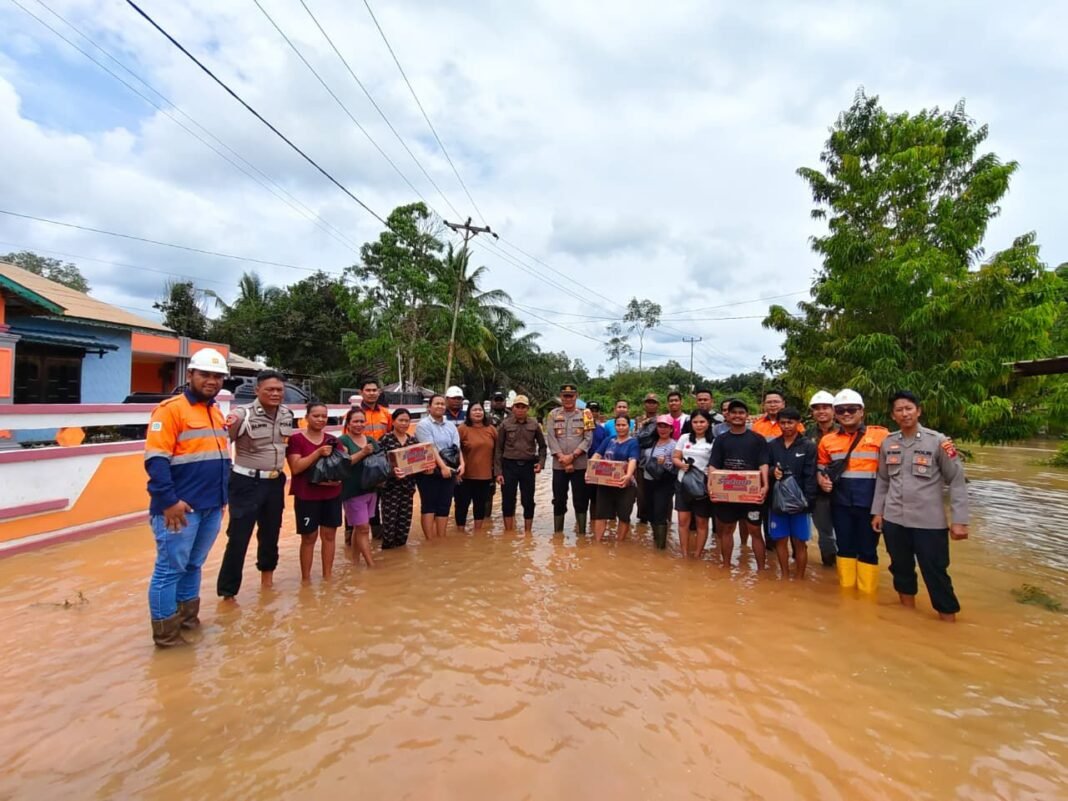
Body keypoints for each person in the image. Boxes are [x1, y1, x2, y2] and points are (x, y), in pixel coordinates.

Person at [144, 347, 231, 647]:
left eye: (218, 376)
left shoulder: (215, 411)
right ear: (190, 374)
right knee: (169, 569)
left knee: (194, 565)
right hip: (180, 508)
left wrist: (222, 501)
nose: (212, 381)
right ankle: (167, 636)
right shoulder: (170, 410)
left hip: (211, 506)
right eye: (205, 374)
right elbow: (156, 461)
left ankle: (188, 621)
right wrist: (168, 501)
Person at [872, 391, 969, 621]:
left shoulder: (938, 442)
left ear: (918, 411)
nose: (905, 413)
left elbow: (956, 480)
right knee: (900, 568)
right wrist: (878, 511)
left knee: (935, 571)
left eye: (909, 408)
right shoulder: (888, 443)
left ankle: (948, 621)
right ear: (893, 415)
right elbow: (883, 479)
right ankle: (908, 617)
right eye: (899, 410)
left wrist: (960, 521)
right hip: (895, 520)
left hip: (929, 522)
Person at [216, 369, 295, 602]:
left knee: (271, 534)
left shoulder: (286, 415)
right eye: (270, 389)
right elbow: (220, 446)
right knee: (239, 537)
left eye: (279, 390)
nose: (275, 393)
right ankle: (228, 594)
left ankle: (267, 583)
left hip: (274, 483)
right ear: (257, 390)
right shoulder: (241, 415)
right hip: (245, 483)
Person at [816, 389, 889, 593]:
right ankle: (846, 595)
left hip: (870, 505)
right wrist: (822, 481)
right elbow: (821, 468)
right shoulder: (827, 441)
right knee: (845, 548)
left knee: (867, 550)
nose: (846, 414)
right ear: (835, 414)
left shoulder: (881, 435)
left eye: (851, 409)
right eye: (840, 410)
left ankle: (867, 597)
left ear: (862, 412)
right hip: (840, 504)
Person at [709, 400, 770, 569]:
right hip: (727, 493)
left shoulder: (758, 439)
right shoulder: (721, 440)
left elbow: (763, 463)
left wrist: (765, 485)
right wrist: (711, 485)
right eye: (733, 412)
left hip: (751, 494)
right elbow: (714, 464)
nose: (737, 416)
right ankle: (726, 567)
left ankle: (761, 571)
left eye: (741, 412)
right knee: (727, 530)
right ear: (727, 415)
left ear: (747, 416)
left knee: (755, 532)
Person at [286, 402, 343, 584]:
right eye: (316, 416)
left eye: (324, 416)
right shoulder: (297, 440)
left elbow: (343, 467)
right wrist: (318, 453)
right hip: (307, 496)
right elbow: (295, 468)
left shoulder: (333, 441)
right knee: (309, 537)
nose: (320, 419)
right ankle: (306, 579)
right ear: (306, 418)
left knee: (329, 536)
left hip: (331, 495)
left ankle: (328, 576)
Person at [767, 407, 817, 579]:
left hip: (800, 502)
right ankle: (785, 576)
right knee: (780, 540)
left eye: (790, 422)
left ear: (798, 423)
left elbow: (810, 475)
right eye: (783, 422)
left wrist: (809, 502)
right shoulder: (772, 445)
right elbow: (765, 468)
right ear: (778, 424)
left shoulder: (809, 446)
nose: (786, 426)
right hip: (777, 501)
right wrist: (773, 471)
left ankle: (800, 579)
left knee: (799, 542)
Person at [545, 383, 594, 534]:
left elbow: (588, 439)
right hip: (559, 465)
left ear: (576, 396)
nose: (568, 399)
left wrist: (572, 457)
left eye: (571, 396)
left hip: (579, 465)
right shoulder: (552, 414)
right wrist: (562, 458)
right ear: (560, 397)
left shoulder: (586, 414)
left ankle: (582, 534)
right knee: (559, 499)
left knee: (581, 500)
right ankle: (558, 534)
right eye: (565, 396)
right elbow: (551, 439)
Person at [494, 395, 546, 534]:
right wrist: (498, 472)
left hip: (528, 467)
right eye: (518, 406)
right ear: (513, 408)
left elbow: (542, 447)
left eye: (523, 407)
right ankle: (509, 532)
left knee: (528, 500)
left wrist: (541, 463)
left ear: (528, 409)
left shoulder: (534, 424)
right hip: (509, 466)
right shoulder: (505, 425)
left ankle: (528, 532)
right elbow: (498, 449)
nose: (520, 410)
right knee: (508, 500)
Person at [415, 394, 464, 539]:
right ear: (429, 407)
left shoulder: (450, 426)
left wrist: (462, 464)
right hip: (429, 470)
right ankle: (430, 540)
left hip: (450, 470)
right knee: (429, 506)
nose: (440, 406)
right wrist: (442, 467)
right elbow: (431, 448)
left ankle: (441, 539)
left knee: (444, 505)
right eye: (436, 404)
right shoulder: (423, 425)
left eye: (442, 404)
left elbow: (457, 447)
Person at [337, 407, 381, 567]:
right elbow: (344, 465)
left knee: (359, 527)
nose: (359, 424)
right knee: (363, 527)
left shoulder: (371, 440)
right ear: (348, 424)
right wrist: (362, 453)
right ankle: (371, 564)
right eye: (355, 421)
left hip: (370, 489)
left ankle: (355, 562)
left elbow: (380, 462)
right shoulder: (342, 441)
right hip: (352, 490)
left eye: (362, 421)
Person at [588, 413, 640, 542]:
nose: (620, 428)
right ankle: (598, 543)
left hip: (625, 484)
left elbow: (633, 460)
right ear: (614, 426)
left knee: (623, 515)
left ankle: (620, 544)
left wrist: (628, 475)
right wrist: (589, 470)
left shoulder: (633, 443)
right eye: (618, 425)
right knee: (601, 514)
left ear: (629, 426)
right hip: (605, 483)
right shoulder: (609, 440)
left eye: (623, 425)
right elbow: (597, 455)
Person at [672, 410, 715, 559]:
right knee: (683, 521)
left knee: (702, 522)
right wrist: (680, 465)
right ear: (691, 423)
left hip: (703, 486)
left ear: (708, 423)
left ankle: (698, 554)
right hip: (682, 483)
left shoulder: (714, 441)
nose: (698, 425)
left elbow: (715, 464)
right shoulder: (684, 438)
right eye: (695, 422)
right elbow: (676, 457)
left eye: (702, 422)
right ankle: (684, 553)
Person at [377, 408, 418, 549]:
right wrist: (391, 471)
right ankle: (387, 553)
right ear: (393, 422)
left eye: (407, 421)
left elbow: (418, 463)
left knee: (404, 525)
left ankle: (400, 555)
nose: (404, 423)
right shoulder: (385, 440)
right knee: (389, 524)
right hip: (390, 489)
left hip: (408, 488)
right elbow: (378, 463)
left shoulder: (413, 441)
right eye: (401, 420)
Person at [455, 404, 498, 531]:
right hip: (464, 475)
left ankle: (478, 534)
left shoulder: (491, 429)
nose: (478, 412)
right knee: (462, 506)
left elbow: (498, 451)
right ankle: (460, 533)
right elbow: (455, 450)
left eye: (480, 410)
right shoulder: (462, 429)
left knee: (480, 506)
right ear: (468, 413)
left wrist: (497, 472)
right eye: (474, 410)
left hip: (485, 475)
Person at [808, 390, 839, 566]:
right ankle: (828, 567)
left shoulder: (846, 431)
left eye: (826, 407)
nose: (821, 411)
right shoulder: (807, 434)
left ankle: (847, 567)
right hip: (818, 491)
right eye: (817, 408)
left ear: (834, 410)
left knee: (846, 530)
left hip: (842, 489)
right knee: (824, 532)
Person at [644, 414, 678, 549]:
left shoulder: (674, 445)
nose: (662, 429)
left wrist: (665, 463)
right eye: (660, 426)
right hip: (648, 480)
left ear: (671, 429)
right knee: (650, 512)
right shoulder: (651, 441)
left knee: (660, 513)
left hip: (664, 482)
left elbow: (675, 465)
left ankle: (660, 547)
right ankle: (655, 539)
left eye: (666, 427)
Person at [633, 393, 660, 523]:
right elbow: (635, 438)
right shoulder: (638, 420)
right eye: (648, 402)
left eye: (653, 402)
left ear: (658, 405)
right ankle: (642, 523)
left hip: (657, 461)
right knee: (641, 494)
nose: (650, 404)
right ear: (644, 404)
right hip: (641, 460)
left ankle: (662, 521)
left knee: (659, 493)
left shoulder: (662, 420)